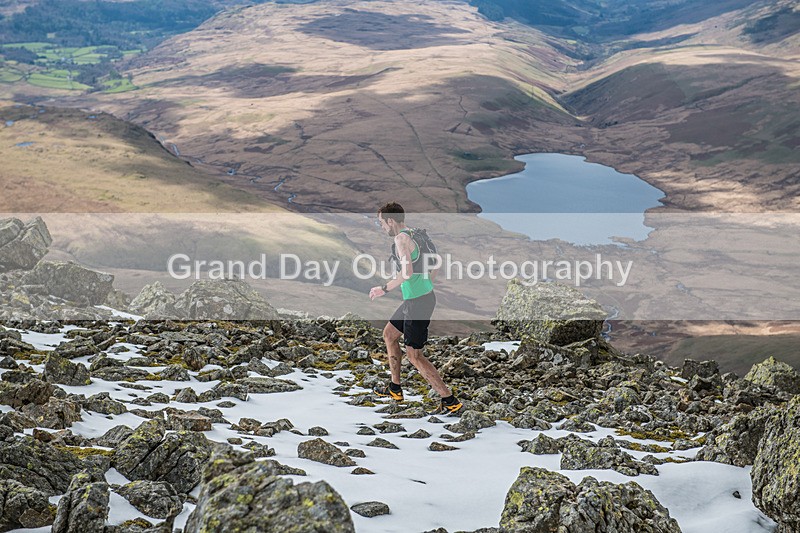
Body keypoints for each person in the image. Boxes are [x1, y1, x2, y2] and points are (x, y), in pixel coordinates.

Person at [369, 202, 463, 416]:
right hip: (418, 299)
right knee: (390, 335)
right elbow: (436, 262)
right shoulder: (418, 234)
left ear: (390, 221)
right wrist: (426, 284)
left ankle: (449, 400)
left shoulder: (401, 239)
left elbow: (407, 272)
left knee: (414, 355)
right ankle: (395, 389)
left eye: (382, 222)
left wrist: (384, 288)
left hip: (417, 303)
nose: (382, 227)